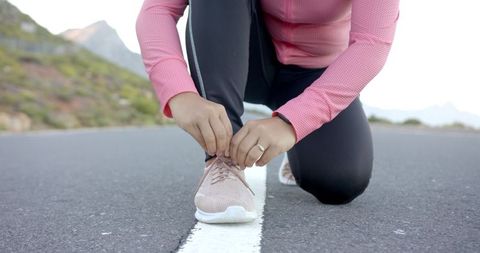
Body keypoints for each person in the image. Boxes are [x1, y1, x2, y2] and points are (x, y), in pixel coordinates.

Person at [136, 0, 400, 223]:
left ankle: (299, 145)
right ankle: (223, 162)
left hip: (315, 74)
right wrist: (179, 93)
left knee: (341, 182)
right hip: (244, 59)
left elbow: (372, 43)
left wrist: (293, 123)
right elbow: (157, 10)